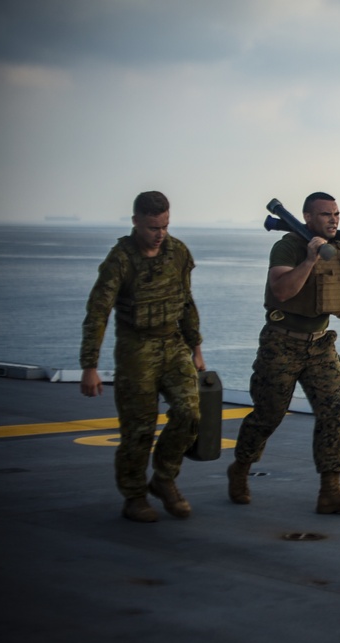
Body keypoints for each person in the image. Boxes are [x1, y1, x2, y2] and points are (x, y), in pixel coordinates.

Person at [228, 191, 340, 514]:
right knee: (268, 414)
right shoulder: (288, 246)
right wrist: (310, 259)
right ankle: (240, 468)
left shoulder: (339, 250)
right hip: (281, 342)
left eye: (336, 213)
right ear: (308, 217)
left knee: (332, 411)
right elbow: (282, 291)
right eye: (326, 214)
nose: (334, 219)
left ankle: (331, 490)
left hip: (320, 343)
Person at [80, 191, 206, 523]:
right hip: (136, 349)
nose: (160, 233)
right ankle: (134, 496)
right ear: (136, 222)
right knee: (138, 429)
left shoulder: (178, 252)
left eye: (164, 225)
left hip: (173, 343)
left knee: (190, 414)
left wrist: (195, 348)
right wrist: (89, 366)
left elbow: (186, 301)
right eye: (153, 227)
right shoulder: (120, 259)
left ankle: (164, 479)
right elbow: (98, 312)